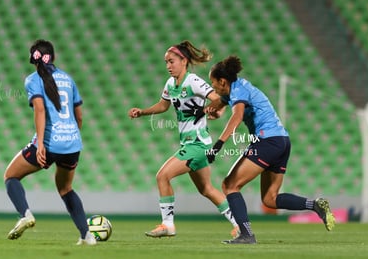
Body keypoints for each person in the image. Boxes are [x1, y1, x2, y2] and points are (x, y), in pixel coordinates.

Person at [204, 55, 336, 244]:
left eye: (213, 82)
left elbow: (237, 116)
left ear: (222, 81)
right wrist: (208, 110)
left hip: (267, 141)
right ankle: (315, 205)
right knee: (270, 199)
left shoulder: (238, 92)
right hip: (282, 141)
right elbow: (220, 102)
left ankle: (247, 235)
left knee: (229, 185)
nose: (212, 87)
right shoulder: (238, 87)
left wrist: (218, 144)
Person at [128, 40, 240, 238]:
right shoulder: (171, 84)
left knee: (162, 176)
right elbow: (163, 106)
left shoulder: (193, 81)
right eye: (166, 62)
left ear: (184, 61)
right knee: (206, 189)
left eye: (171, 61)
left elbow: (218, 98)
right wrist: (142, 112)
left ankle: (168, 225)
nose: (168, 66)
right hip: (191, 144)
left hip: (197, 144)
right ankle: (239, 224)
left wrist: (208, 110)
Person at [3, 39, 96, 245]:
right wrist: (71, 136)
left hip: (48, 143)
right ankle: (87, 236)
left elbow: (40, 109)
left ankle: (25, 214)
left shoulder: (33, 80)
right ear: (53, 57)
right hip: (72, 144)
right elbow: (79, 116)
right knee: (65, 189)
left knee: (11, 176)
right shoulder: (68, 79)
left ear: (33, 60)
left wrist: (42, 146)